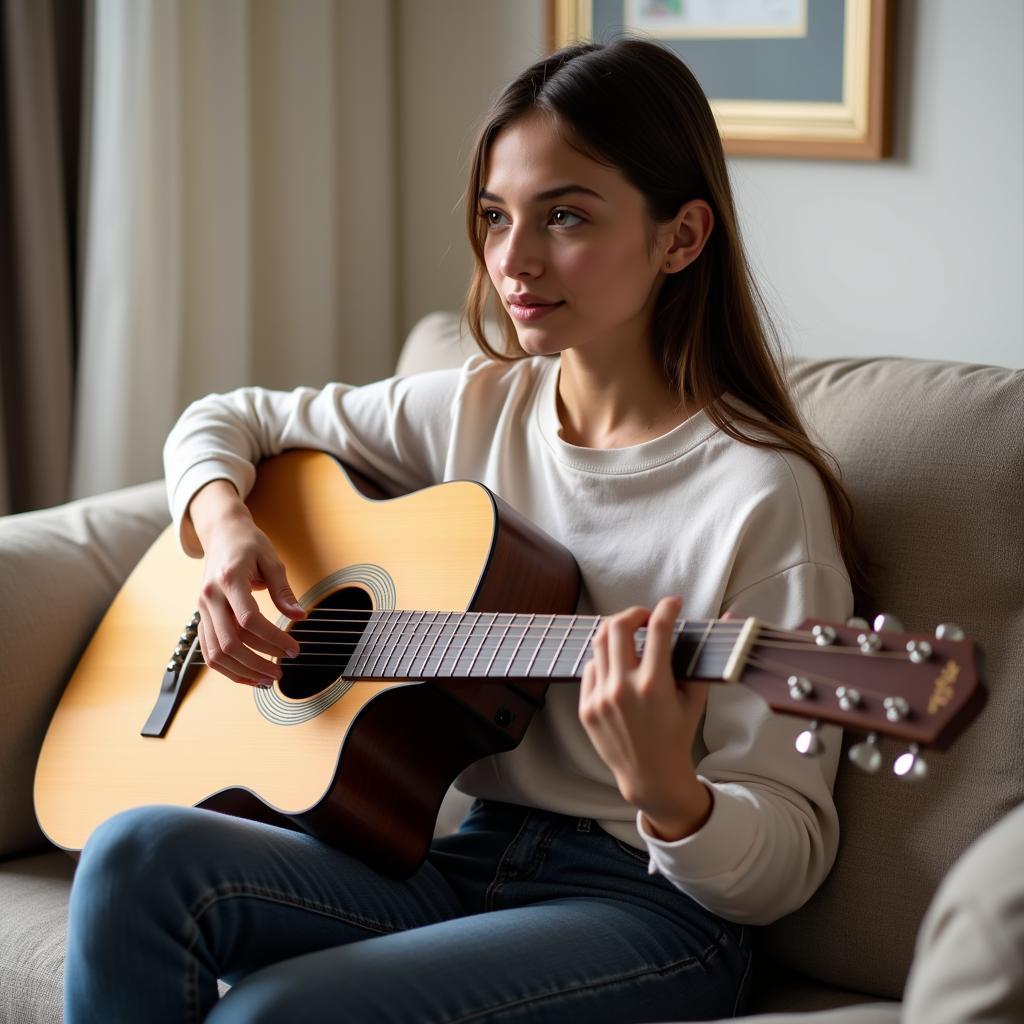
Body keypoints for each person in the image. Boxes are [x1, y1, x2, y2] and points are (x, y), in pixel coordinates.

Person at [65, 38, 860, 1023]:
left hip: (647, 909)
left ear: (681, 237)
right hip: (452, 856)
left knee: (273, 1012)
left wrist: (667, 791)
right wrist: (226, 531)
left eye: (563, 216)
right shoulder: (473, 410)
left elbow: (784, 859)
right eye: (495, 217)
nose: (512, 260)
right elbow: (224, 419)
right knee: (133, 853)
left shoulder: (761, 501)